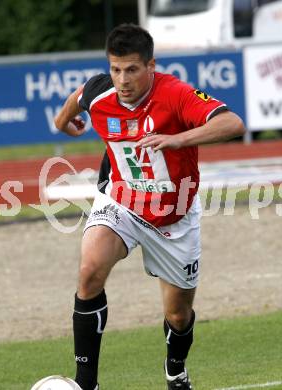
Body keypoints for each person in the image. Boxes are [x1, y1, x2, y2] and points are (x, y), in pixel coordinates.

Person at [54, 23, 245, 390]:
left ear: (151, 65)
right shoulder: (101, 91)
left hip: (174, 218)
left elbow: (232, 122)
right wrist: (63, 122)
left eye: (131, 69)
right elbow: (80, 97)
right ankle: (86, 383)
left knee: (177, 314)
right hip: (121, 202)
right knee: (90, 270)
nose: (122, 79)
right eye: (115, 69)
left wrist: (178, 139)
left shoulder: (175, 94)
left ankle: (175, 369)